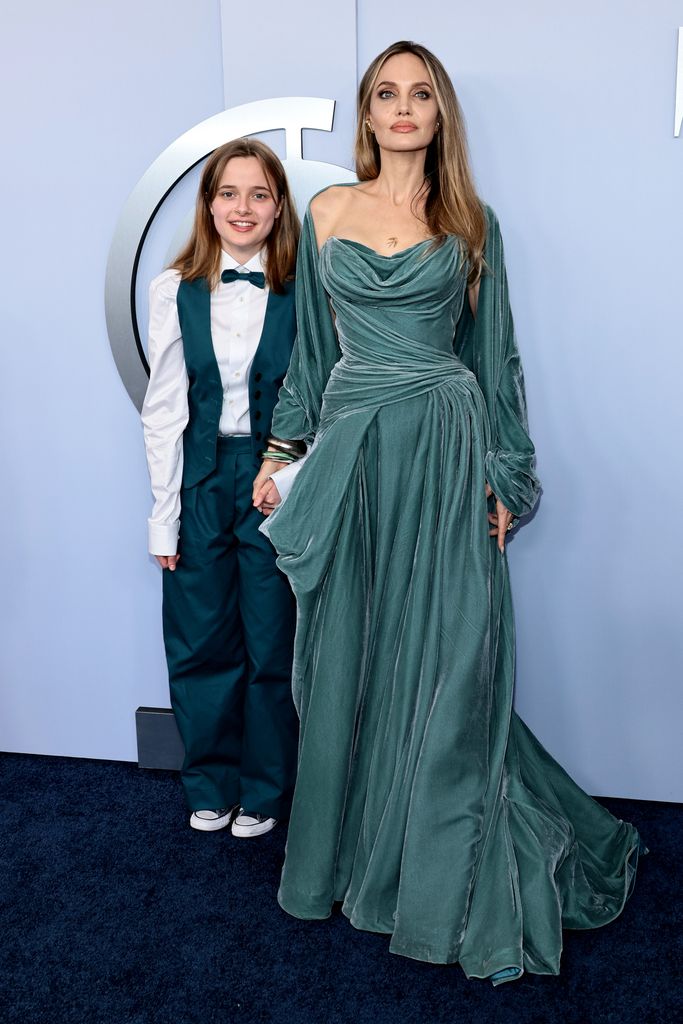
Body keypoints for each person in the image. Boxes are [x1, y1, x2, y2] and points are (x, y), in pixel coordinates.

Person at [252, 42, 643, 982]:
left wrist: (505, 475)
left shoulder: (472, 222)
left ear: (439, 116)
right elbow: (310, 354)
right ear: (367, 113)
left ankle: (430, 858)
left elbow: (495, 356)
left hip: (443, 445)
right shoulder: (327, 211)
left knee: (444, 658)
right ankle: (346, 856)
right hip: (353, 452)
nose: (401, 108)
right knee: (345, 649)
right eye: (385, 94)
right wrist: (280, 449)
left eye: (418, 94)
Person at [141, 138, 300, 838]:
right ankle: (210, 781)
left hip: (273, 480)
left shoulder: (305, 287)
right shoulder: (173, 287)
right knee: (200, 637)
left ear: (277, 208)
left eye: (258, 194)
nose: (242, 207)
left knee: (271, 642)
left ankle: (265, 789)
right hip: (202, 476)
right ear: (208, 203)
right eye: (229, 193)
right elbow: (165, 409)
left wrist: (287, 475)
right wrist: (162, 516)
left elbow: (319, 396)